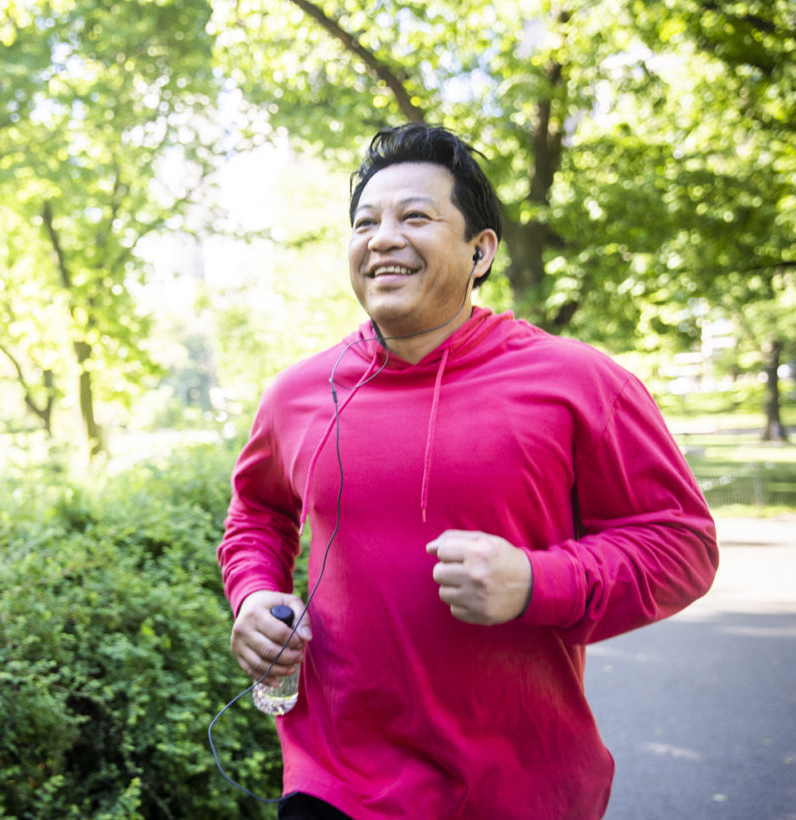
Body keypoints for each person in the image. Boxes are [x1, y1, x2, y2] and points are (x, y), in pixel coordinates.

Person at [216, 123, 718, 819]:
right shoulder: (297, 393)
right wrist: (253, 596)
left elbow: (681, 545)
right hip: (338, 782)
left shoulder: (578, 381)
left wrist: (537, 582)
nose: (382, 238)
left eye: (415, 216)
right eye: (365, 223)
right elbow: (257, 515)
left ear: (480, 251)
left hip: (523, 788)